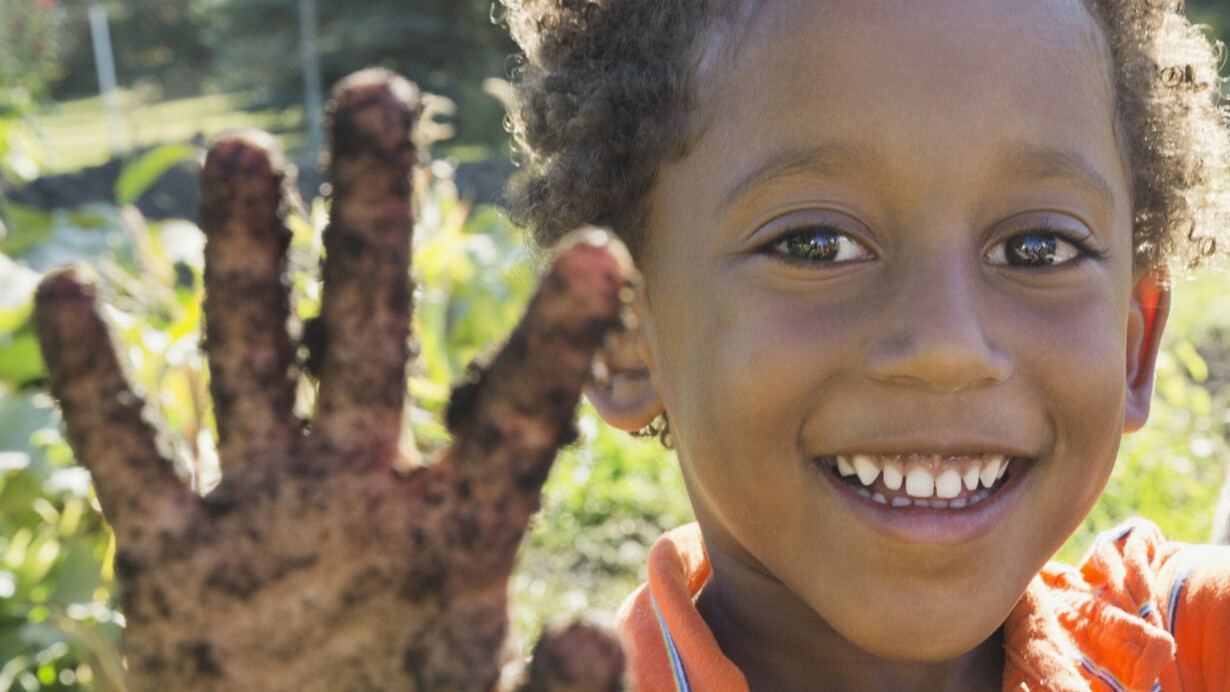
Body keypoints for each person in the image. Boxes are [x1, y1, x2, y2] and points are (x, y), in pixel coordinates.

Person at [500, 0, 1230, 689]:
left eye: (1037, 248)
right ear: (619, 331)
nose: (947, 349)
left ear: (1134, 345)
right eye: (817, 245)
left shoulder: (1186, 649)